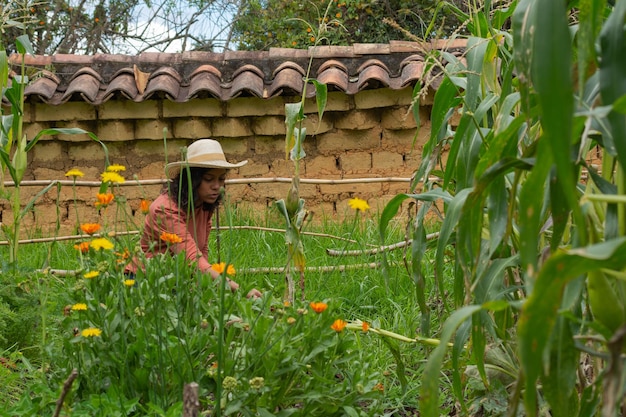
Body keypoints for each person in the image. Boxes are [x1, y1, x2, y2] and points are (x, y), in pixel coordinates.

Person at [125, 139, 262, 298]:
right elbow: (192, 258)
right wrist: (239, 290)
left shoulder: (202, 205)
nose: (217, 186)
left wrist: (204, 288)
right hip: (144, 281)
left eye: (221, 179)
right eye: (209, 179)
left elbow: (201, 252)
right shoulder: (165, 209)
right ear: (192, 179)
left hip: (176, 280)